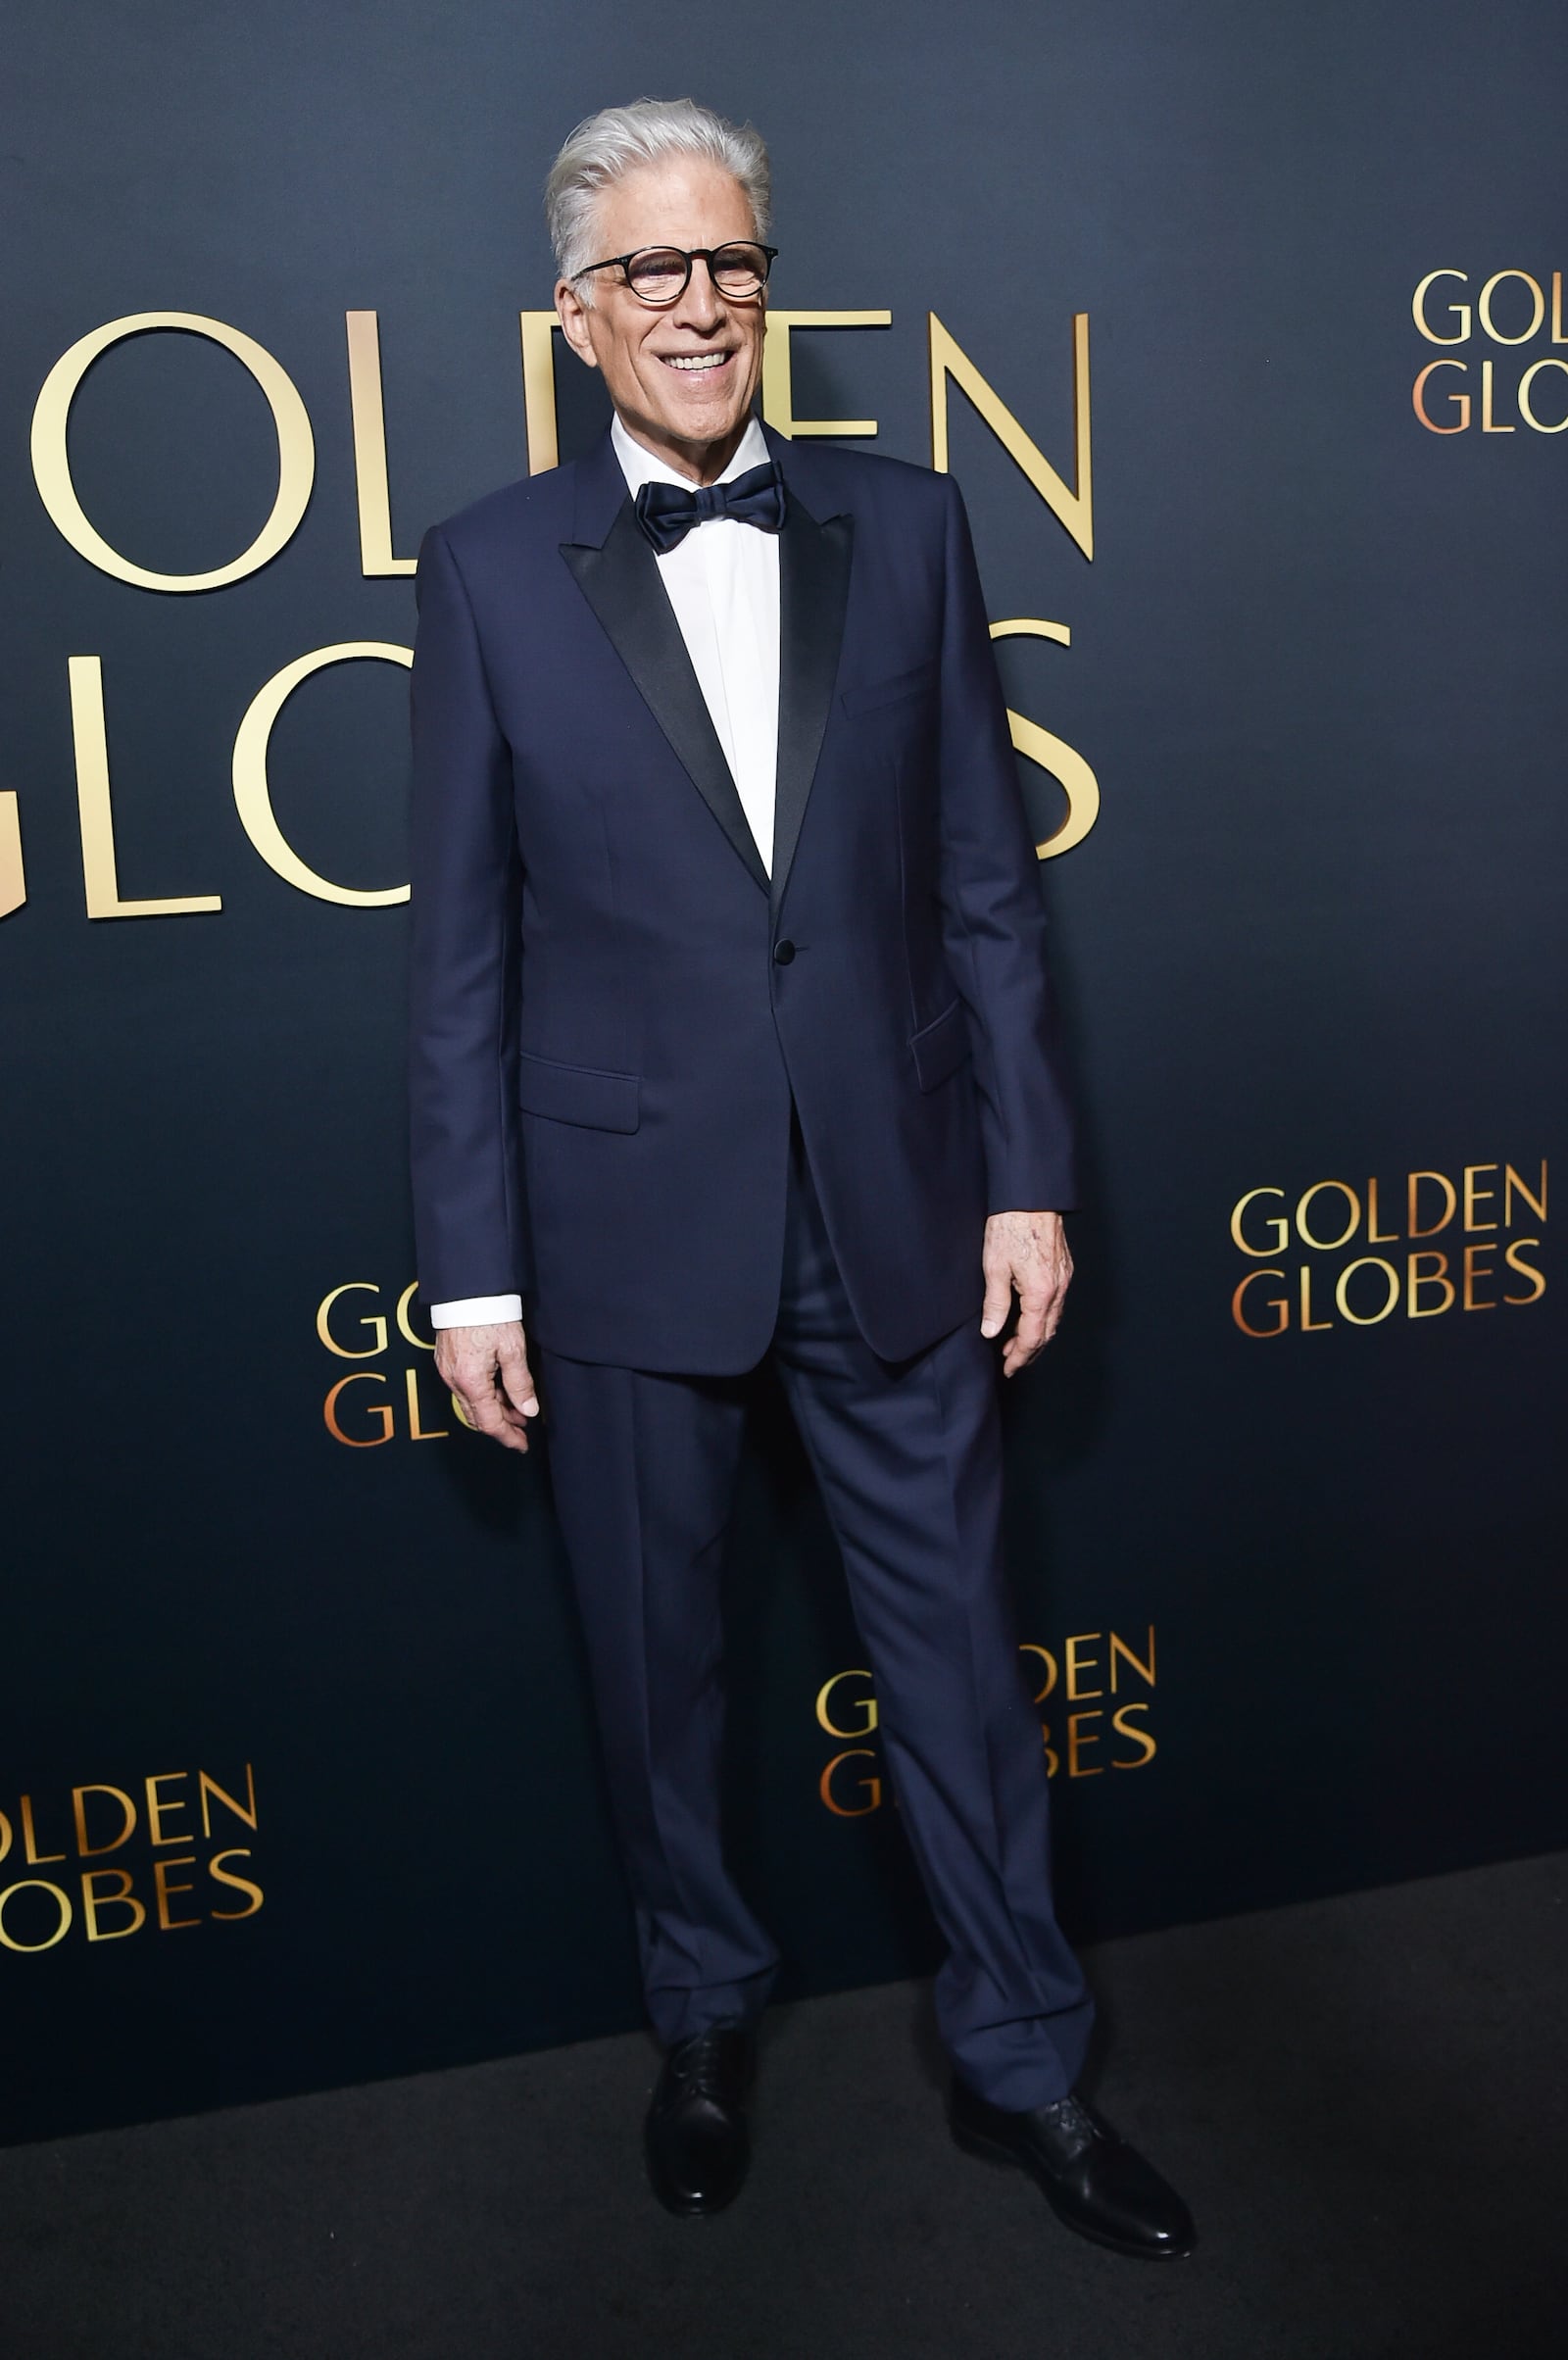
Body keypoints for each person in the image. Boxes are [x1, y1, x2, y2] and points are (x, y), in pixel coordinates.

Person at [408, 96, 1194, 2259]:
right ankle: (696, 2019)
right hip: (614, 1226)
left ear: (767, 280)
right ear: (578, 316)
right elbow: (459, 954)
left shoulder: (912, 525)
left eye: (728, 263)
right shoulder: (483, 568)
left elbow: (981, 889)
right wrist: (469, 1270)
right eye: (649, 273)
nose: (697, 306)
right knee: (655, 1681)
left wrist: (1022, 1176)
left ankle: (1023, 2066)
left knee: (954, 1664)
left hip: (897, 1200)